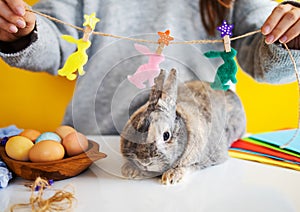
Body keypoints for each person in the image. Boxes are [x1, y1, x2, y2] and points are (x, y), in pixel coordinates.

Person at [0, 0, 299, 135]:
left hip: (204, 147)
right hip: (98, 145)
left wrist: (290, 36)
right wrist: (22, 31)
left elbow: (267, 63)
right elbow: (55, 42)